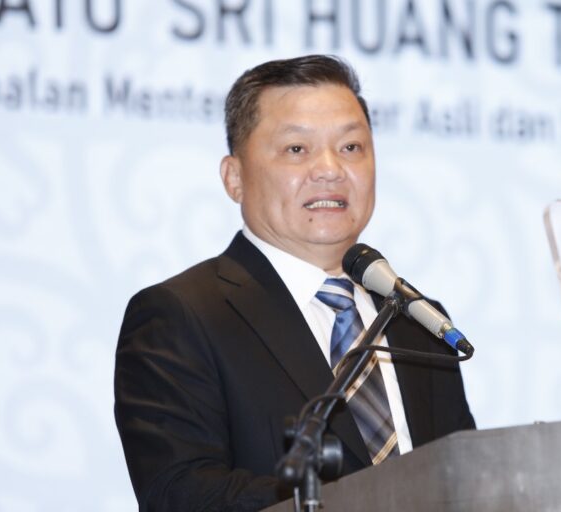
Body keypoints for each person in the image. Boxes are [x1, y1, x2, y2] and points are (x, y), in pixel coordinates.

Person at [114, 54, 475, 512]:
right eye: (297, 149)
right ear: (234, 178)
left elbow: (466, 482)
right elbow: (181, 494)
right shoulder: (180, 316)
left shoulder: (417, 321)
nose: (330, 169)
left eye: (351, 147)